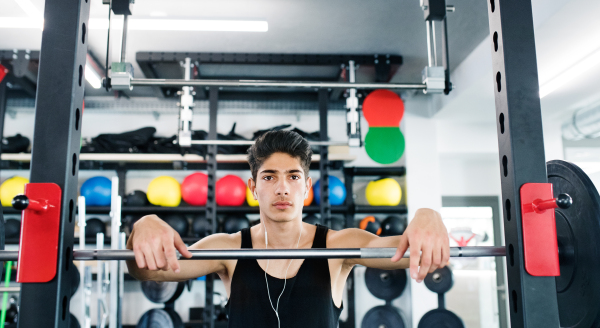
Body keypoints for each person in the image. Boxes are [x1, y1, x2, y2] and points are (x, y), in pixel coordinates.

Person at [127, 130, 450, 328]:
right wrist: (142, 225)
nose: (282, 188)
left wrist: (428, 215)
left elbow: (411, 251)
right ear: (253, 187)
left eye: (293, 177)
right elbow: (148, 273)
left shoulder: (339, 246)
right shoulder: (228, 249)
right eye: (269, 177)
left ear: (307, 186)